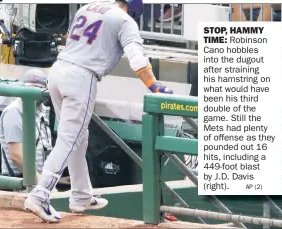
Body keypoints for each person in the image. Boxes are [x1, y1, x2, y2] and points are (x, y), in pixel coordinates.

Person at [24, 0, 173, 223]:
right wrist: (154, 86)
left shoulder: (89, 7)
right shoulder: (125, 20)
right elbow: (138, 60)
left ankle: (81, 195)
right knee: (69, 140)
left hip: (57, 71)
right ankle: (40, 195)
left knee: (78, 137)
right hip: (81, 77)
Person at [0, 69, 53, 182]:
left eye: (37, 87)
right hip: (18, 183)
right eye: (29, 87)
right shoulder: (14, 111)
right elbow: (16, 156)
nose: (32, 91)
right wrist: (43, 185)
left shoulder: (43, 110)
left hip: (37, 182)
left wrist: (57, 180)